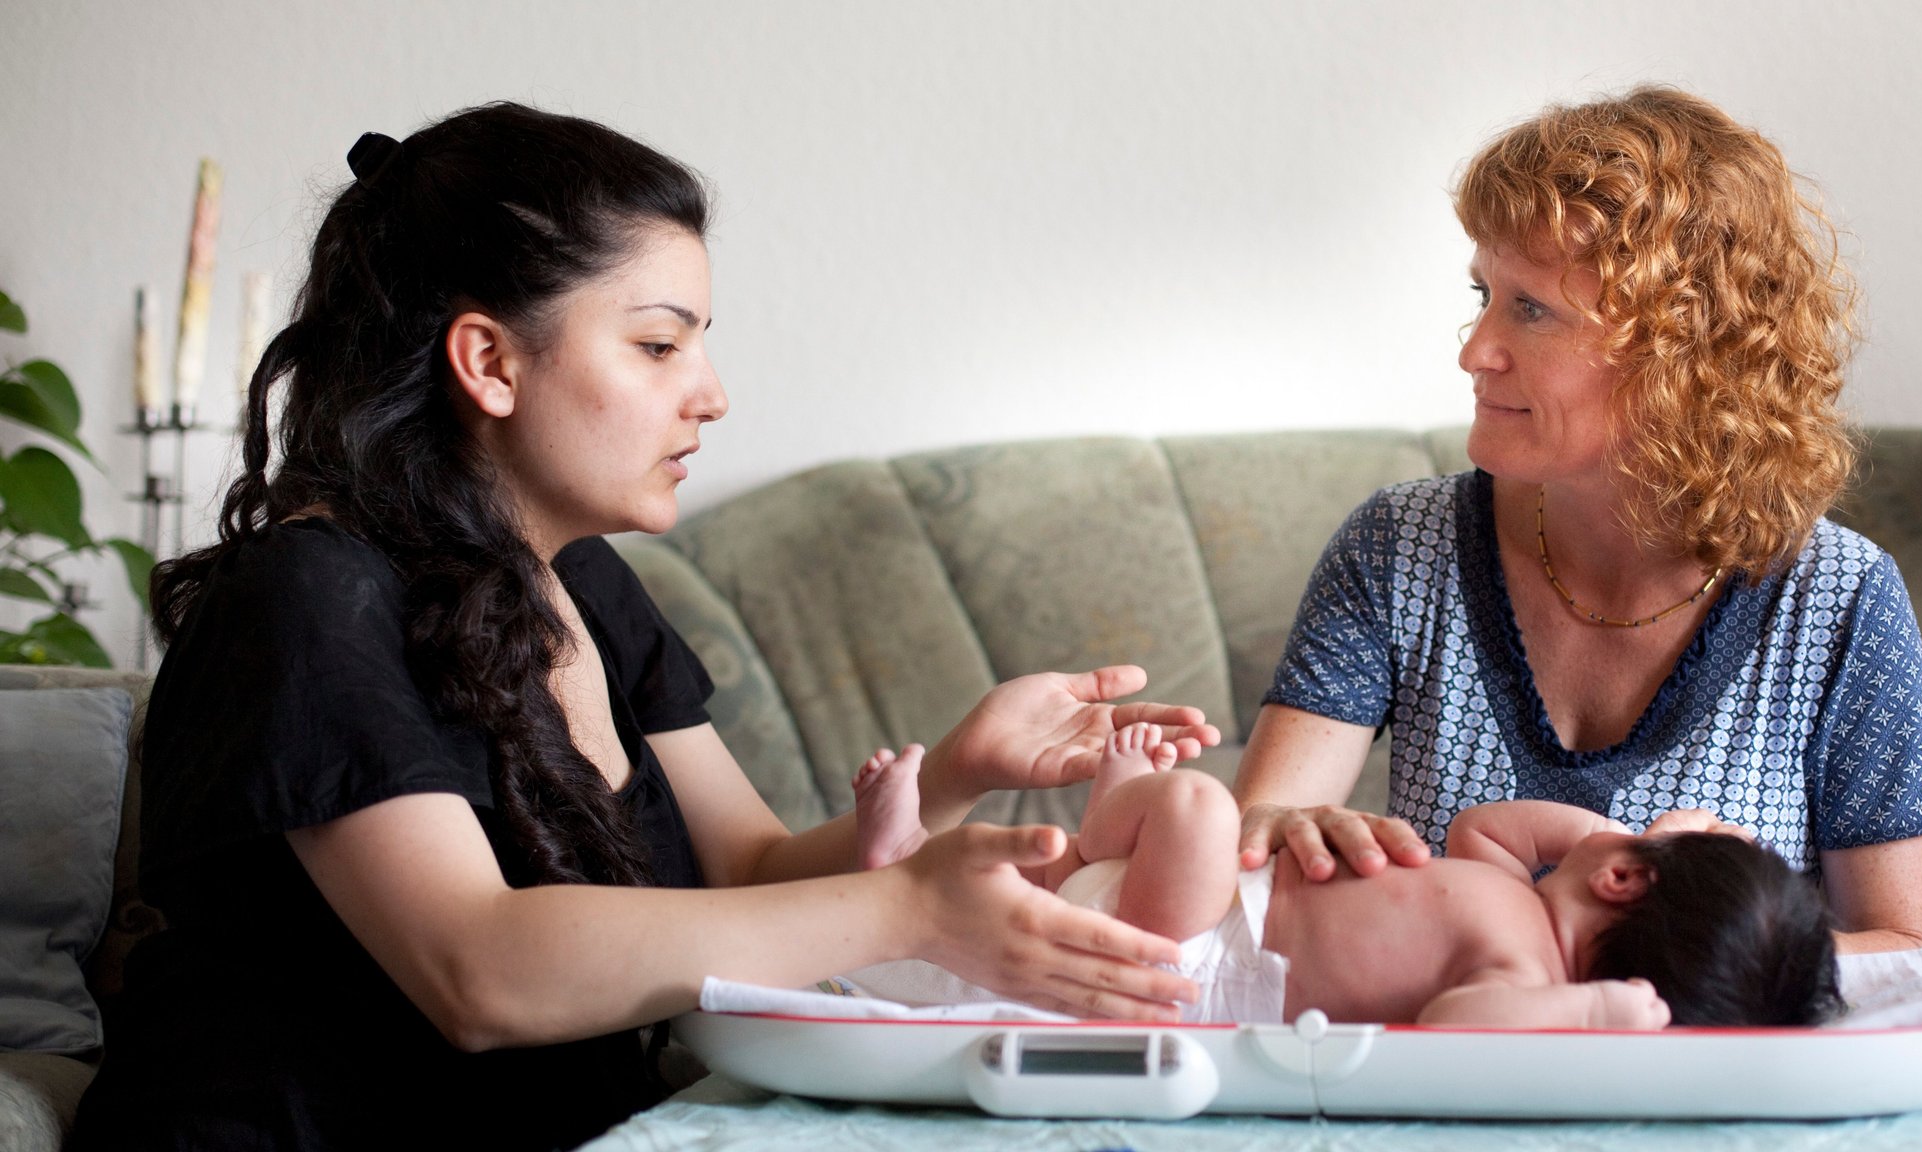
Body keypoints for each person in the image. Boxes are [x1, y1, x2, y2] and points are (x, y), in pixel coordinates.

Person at [70, 103, 1222, 1151]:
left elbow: (754, 874)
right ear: (488, 362)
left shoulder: (586, 585)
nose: (710, 391)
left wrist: (961, 770)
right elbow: (479, 972)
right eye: (660, 344)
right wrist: (907, 906)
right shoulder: (307, 601)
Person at [1232, 86, 1922, 955]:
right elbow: (1258, 840)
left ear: (1682, 350)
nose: (1474, 350)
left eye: (1530, 308)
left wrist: (1611, 964)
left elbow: (1908, 949)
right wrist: (1282, 836)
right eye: (1483, 294)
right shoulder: (1396, 547)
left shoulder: (1841, 600)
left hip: (1711, 1088)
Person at [854, 727, 1840, 1027]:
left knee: (1194, 809)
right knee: (1042, 888)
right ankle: (931, 864)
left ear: (1625, 881)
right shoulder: (1509, 891)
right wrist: (1618, 836)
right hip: (1197, 908)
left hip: (1192, 955)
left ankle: (1107, 815)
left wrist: (1595, 1017)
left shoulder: (1524, 977)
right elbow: (1482, 824)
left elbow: (1453, 1030)